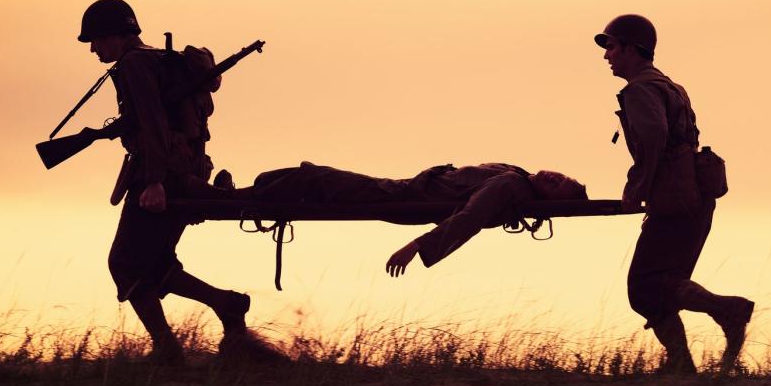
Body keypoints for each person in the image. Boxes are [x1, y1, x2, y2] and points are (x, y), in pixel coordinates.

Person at [78, 0, 252, 364]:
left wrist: (154, 181)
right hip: (185, 171)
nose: (93, 48)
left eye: (96, 39)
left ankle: (167, 348)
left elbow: (154, 122)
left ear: (116, 35)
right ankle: (226, 305)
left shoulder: (134, 64)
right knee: (154, 262)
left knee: (124, 262)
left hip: (160, 176)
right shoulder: (157, 60)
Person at [596, 14, 754, 374]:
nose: (607, 56)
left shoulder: (640, 89)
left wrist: (636, 189)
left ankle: (727, 312)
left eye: (612, 46)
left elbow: (653, 138)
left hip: (675, 199)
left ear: (633, 49)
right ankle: (681, 367)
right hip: (692, 197)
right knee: (662, 283)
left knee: (644, 287)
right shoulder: (669, 86)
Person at [221, 162, 586, 275]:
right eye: (564, 176)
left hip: (401, 196)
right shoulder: (517, 177)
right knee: (311, 182)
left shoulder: (510, 186)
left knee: (312, 177)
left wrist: (415, 247)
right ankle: (235, 195)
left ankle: (224, 199)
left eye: (561, 188)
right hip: (403, 189)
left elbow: (470, 219)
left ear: (548, 202)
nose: (558, 178)